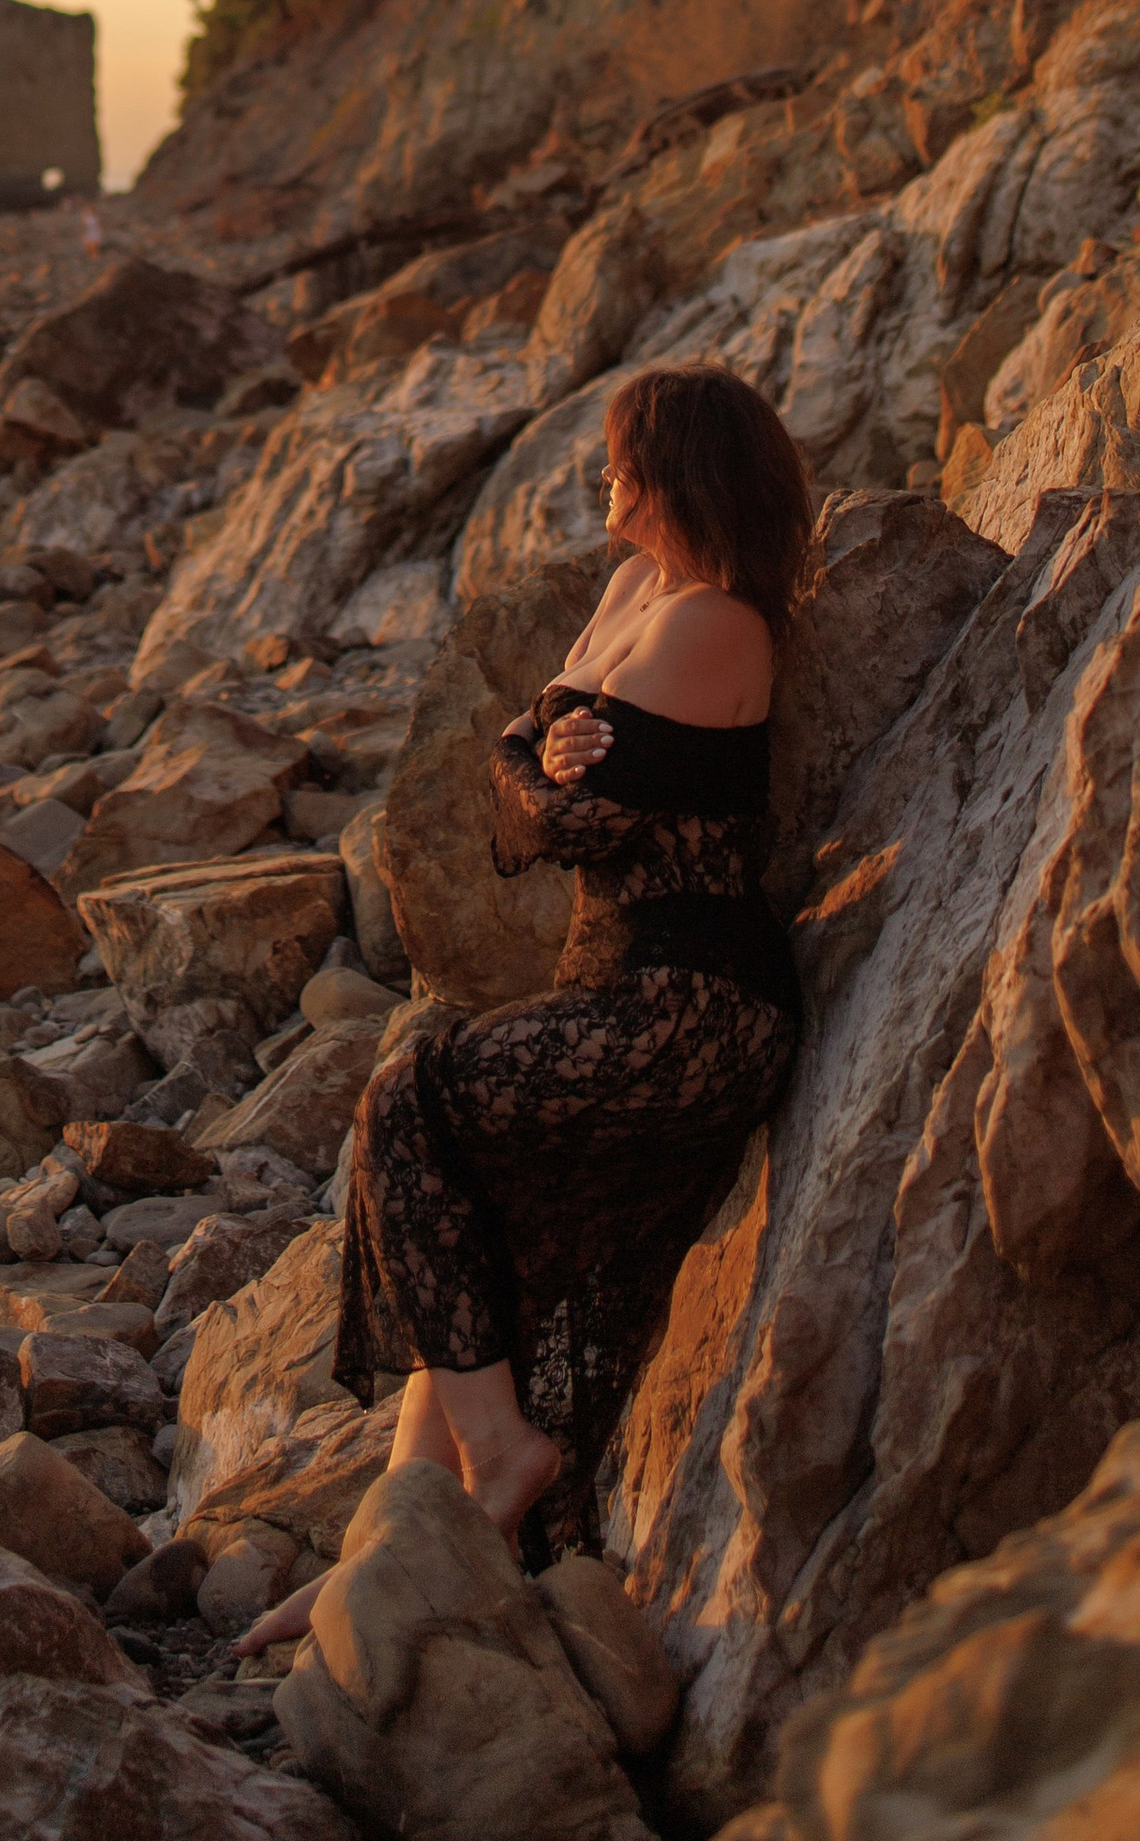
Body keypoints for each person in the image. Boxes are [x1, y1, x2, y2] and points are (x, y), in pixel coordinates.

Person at [237, 360, 807, 1655]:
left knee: (408, 1101)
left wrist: (533, 760)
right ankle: (396, 1541)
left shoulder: (719, 623)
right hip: (610, 979)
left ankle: (499, 1460)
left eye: (622, 458)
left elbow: (575, 821)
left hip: (694, 1001)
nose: (603, 476)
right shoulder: (631, 590)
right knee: (461, 1217)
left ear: (674, 473)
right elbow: (522, 775)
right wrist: (528, 754)